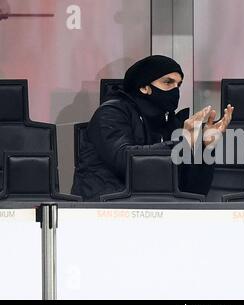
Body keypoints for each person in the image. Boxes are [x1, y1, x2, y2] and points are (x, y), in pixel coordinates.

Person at [72, 55, 234, 201]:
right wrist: (182, 143)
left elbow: (193, 191)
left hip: (152, 211)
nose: (175, 90)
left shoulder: (170, 122)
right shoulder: (110, 113)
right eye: (168, 82)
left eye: (178, 84)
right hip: (103, 212)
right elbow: (126, 161)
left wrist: (204, 147)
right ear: (144, 87)